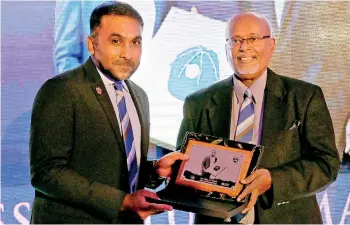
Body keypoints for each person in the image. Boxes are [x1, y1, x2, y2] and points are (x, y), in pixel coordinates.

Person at [174, 12, 340, 224]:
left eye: (252, 38)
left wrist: (273, 180)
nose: (244, 47)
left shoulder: (305, 96)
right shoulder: (199, 103)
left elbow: (327, 164)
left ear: (271, 45)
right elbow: (182, 166)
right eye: (235, 40)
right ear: (226, 49)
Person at [29, 2, 187, 223]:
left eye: (135, 42)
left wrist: (154, 171)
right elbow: (47, 173)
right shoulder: (61, 89)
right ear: (92, 45)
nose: (127, 53)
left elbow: (118, 170)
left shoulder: (139, 96)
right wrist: (121, 202)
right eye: (116, 41)